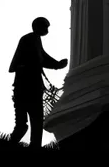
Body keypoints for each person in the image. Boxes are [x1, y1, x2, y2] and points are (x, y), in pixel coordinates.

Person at [8, 17, 68, 149]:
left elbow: (42, 57)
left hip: (33, 87)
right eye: (45, 27)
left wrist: (57, 64)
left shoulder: (36, 40)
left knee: (36, 121)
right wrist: (56, 64)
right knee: (23, 124)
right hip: (24, 87)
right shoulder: (28, 39)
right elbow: (38, 59)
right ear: (38, 27)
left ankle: (34, 147)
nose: (47, 30)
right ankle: (11, 144)